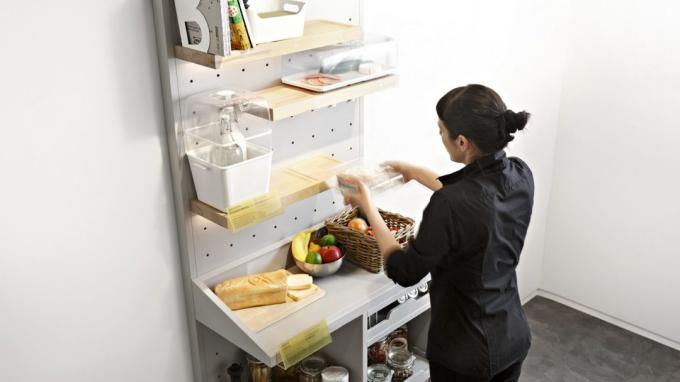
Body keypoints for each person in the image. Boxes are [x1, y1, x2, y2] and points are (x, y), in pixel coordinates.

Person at [341, 84, 534, 382]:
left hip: (464, 353)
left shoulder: (449, 204)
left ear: (462, 142)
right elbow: (474, 200)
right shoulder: (520, 174)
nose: (440, 137)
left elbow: (403, 270)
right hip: (511, 336)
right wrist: (415, 172)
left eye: (441, 131)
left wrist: (367, 206)